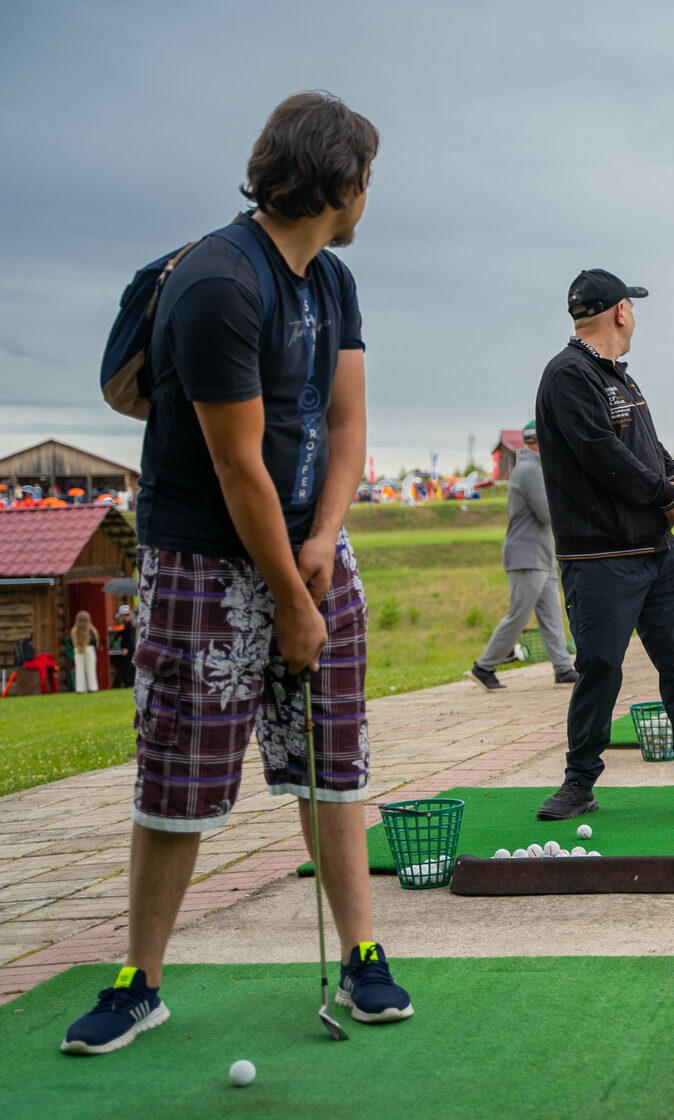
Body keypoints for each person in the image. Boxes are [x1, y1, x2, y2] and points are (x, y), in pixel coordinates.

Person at [62, 93, 412, 1057]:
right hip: (206, 560)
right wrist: (291, 599)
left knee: (333, 760)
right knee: (179, 768)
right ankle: (140, 981)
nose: (369, 196)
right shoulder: (221, 280)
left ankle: (363, 955)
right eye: (367, 180)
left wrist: (322, 542)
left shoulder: (332, 281)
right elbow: (236, 464)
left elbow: (348, 427)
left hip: (309, 548)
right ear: (339, 184)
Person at [531, 268, 674, 822]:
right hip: (600, 558)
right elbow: (603, 456)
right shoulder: (568, 375)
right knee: (600, 667)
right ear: (621, 312)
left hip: (656, 554)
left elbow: (648, 446)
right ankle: (580, 782)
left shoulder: (620, 378)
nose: (635, 317)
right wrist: (668, 498)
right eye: (633, 308)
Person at [467, 420, 578, 690]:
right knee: (518, 615)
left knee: (551, 613)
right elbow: (546, 513)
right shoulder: (530, 470)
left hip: (540, 553)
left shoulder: (532, 468)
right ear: (542, 441)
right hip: (526, 555)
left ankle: (563, 668)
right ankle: (484, 666)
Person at [71, 611, 100, 693]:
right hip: (89, 649)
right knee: (91, 669)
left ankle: (80, 689)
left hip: (78, 649)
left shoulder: (74, 630)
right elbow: (95, 641)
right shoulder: (91, 630)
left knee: (79, 670)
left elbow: (71, 641)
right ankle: (93, 687)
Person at [109, 604, 137, 688]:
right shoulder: (129, 624)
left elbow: (129, 638)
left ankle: (129, 684)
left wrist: (126, 647)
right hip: (130, 648)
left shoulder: (129, 624)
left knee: (128, 667)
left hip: (129, 649)